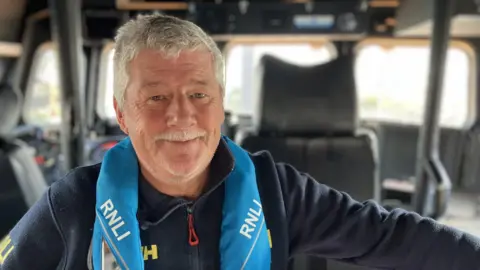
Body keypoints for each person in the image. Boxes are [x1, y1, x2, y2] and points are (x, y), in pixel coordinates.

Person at [1, 14, 480, 270]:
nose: (181, 115)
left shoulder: (278, 191)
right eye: (156, 96)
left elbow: (388, 236)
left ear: (221, 104)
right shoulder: (71, 205)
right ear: (122, 113)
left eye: (198, 94)